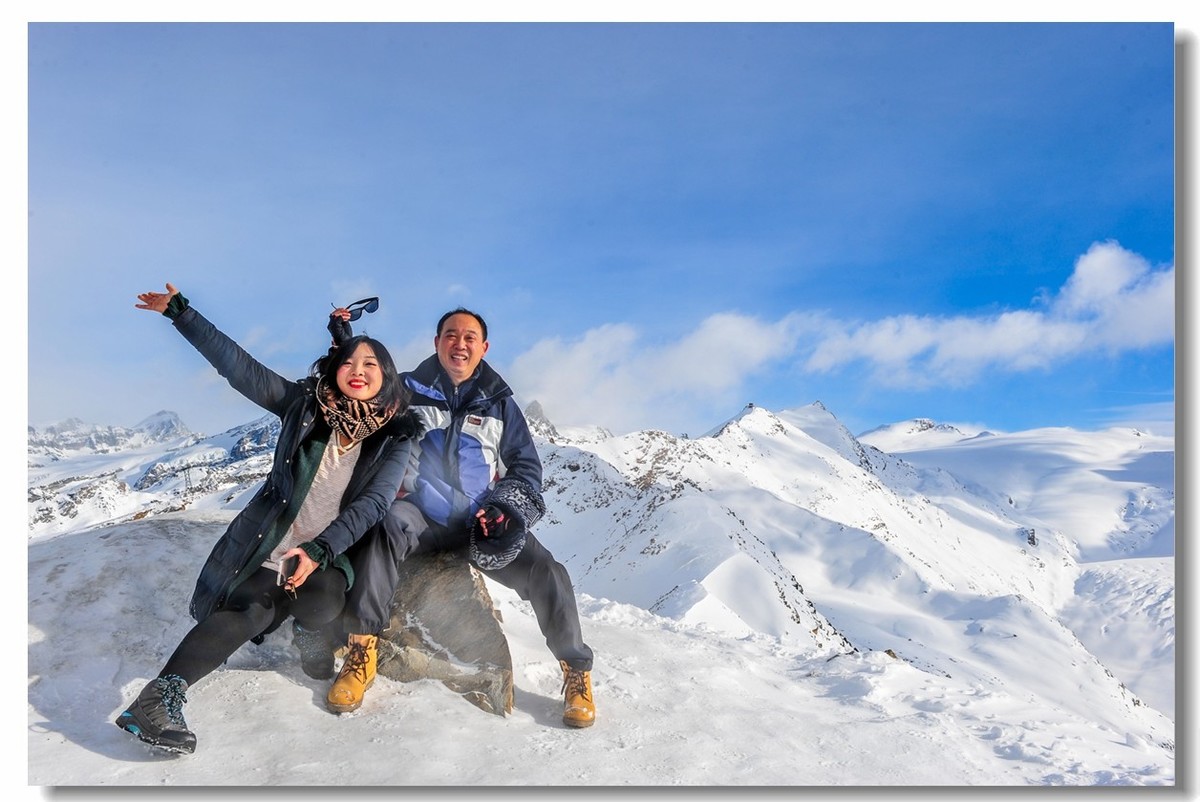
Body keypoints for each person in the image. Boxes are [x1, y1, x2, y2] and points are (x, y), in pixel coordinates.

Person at [114, 284, 421, 754]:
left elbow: (374, 503)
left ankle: (306, 630)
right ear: (335, 370)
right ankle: (160, 696)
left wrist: (319, 552)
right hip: (269, 542)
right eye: (348, 363)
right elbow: (241, 369)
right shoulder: (303, 406)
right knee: (250, 610)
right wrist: (182, 314)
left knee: (320, 602)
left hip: (328, 552)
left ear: (388, 378)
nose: (357, 372)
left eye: (369, 365)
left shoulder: (395, 438)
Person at [319, 306, 597, 728]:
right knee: (386, 527)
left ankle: (576, 670)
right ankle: (362, 651)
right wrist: (343, 345)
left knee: (547, 570)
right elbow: (357, 396)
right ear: (436, 343)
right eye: (451, 335)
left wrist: (505, 511)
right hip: (420, 512)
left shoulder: (500, 404)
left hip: (479, 521)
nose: (459, 343)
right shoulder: (406, 390)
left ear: (484, 348)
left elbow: (526, 470)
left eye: (470, 337)